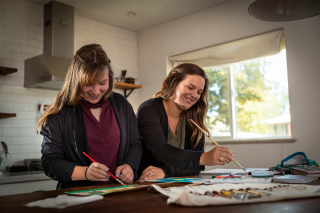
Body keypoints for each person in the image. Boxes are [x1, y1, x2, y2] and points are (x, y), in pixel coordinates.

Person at [36, 44, 142, 189]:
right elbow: (50, 164)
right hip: (78, 201)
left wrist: (130, 166)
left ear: (109, 78)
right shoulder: (59, 113)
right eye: (88, 84)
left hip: (119, 195)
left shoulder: (121, 104)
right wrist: (86, 173)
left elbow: (135, 144)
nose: (96, 91)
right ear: (76, 80)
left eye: (102, 83)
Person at [137, 63, 233, 180]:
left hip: (178, 186)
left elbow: (196, 167)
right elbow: (159, 149)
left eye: (199, 92)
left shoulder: (194, 119)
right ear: (174, 83)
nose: (194, 95)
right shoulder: (149, 110)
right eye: (190, 87)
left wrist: (166, 172)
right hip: (145, 184)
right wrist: (204, 157)